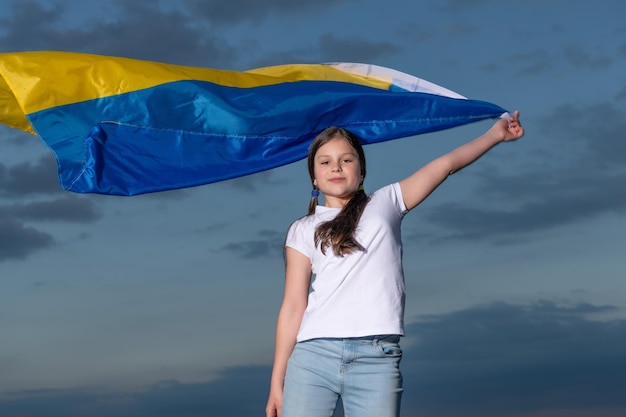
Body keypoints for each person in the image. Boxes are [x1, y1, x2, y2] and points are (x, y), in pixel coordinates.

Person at [266, 111, 524, 417]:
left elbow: (446, 165)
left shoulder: (386, 203)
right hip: (312, 357)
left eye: (346, 160)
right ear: (314, 176)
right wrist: (276, 382)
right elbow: (293, 306)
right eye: (325, 162)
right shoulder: (302, 228)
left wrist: (495, 135)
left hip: (376, 357)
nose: (336, 167)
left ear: (361, 172)